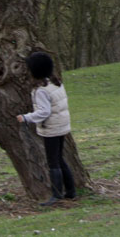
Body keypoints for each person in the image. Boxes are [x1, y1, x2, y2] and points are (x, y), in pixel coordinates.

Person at [16, 52, 75, 206]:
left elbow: (44, 112)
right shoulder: (55, 82)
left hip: (52, 128)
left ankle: (56, 194)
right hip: (62, 125)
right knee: (60, 159)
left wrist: (26, 117)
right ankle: (70, 190)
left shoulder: (40, 90)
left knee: (53, 162)